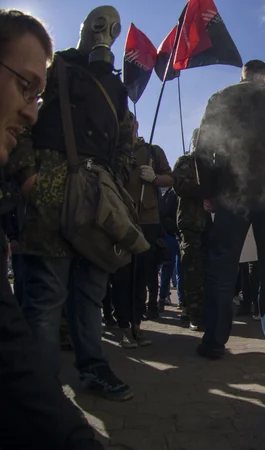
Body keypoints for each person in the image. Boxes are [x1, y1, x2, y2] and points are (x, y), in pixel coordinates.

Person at [7, 6, 133, 400]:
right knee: (47, 292)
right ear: (83, 29)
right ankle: (41, 388)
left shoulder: (117, 87)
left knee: (90, 291)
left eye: (113, 28)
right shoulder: (55, 68)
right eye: (99, 25)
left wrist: (118, 184)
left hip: (98, 193)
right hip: (51, 186)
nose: (106, 33)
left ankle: (93, 368)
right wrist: (29, 174)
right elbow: (20, 114)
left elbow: (124, 141)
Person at [0, 8, 104, 449]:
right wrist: (27, 176)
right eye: (24, 87)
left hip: (79, 206)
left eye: (37, 96)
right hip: (45, 206)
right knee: (44, 301)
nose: (31, 114)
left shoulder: (101, 82)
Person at [195, 59, 265, 359]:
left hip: (233, 192)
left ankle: (215, 341)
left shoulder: (222, 96)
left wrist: (208, 191)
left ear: (242, 75)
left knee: (222, 266)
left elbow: (204, 147)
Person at [111, 116, 173, 347]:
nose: (129, 129)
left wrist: (155, 178)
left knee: (143, 276)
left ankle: (137, 324)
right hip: (120, 220)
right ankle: (124, 326)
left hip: (147, 221)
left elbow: (171, 178)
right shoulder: (113, 151)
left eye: (131, 125)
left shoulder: (152, 151)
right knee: (122, 276)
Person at [172, 140, 211, 331]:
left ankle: (207, 310)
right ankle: (193, 312)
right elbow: (178, 185)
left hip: (209, 225)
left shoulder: (212, 164)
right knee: (192, 269)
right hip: (191, 224)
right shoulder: (186, 161)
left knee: (207, 269)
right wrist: (203, 191)